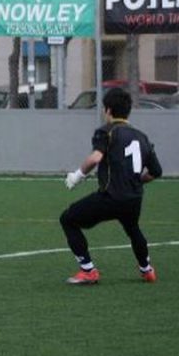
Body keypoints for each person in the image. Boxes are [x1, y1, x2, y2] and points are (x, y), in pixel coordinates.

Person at [60, 87, 162, 285]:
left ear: (107, 110)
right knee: (133, 229)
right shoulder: (142, 137)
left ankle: (88, 270)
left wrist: (77, 176)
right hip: (133, 198)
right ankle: (147, 270)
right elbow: (156, 172)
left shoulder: (106, 132)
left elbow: (96, 157)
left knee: (68, 219)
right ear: (128, 111)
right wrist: (137, 180)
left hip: (111, 197)